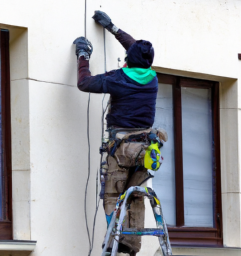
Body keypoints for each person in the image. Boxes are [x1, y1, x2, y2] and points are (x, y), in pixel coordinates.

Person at [73, 11, 167, 256]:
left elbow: (85, 83)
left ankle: (117, 243)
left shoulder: (119, 78)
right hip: (146, 146)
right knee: (135, 197)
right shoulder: (152, 78)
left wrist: (83, 56)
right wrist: (112, 27)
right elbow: (135, 48)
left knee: (112, 195)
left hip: (122, 147)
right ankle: (132, 246)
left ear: (129, 59)